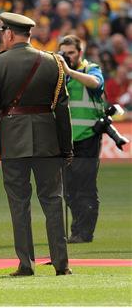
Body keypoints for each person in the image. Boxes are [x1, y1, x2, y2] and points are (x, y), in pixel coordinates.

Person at [0, 12, 73, 277]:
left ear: (9, 34)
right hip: (48, 141)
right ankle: (61, 264)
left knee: (19, 204)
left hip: (13, 140)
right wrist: (66, 148)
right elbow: (62, 111)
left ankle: (26, 264)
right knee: (53, 202)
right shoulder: (53, 62)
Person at [58, 35, 105, 244]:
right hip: (66, 140)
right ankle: (78, 227)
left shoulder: (90, 69)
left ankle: (84, 232)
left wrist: (69, 72)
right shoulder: (60, 75)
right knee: (68, 189)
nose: (67, 57)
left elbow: (96, 84)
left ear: (80, 53)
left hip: (87, 138)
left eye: (71, 53)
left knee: (85, 188)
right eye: (64, 53)